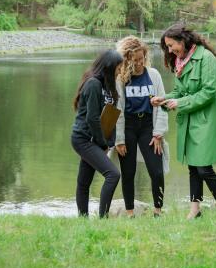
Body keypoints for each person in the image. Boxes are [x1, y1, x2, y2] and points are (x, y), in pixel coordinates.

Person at [151, 24, 216, 219]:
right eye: (168, 47)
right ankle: (195, 210)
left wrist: (179, 102)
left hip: (206, 120)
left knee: (204, 167)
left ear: (183, 40)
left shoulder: (206, 58)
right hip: (188, 120)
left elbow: (209, 92)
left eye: (172, 46)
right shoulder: (181, 61)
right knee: (193, 166)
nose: (170, 51)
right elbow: (179, 92)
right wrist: (163, 99)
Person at [114, 36, 169, 218]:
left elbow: (162, 104)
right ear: (126, 59)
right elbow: (118, 110)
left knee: (156, 170)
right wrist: (119, 139)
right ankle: (130, 212)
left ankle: (158, 211)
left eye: (142, 58)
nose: (139, 63)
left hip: (147, 126)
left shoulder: (153, 75)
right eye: (135, 60)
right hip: (128, 126)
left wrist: (158, 133)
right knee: (128, 172)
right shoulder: (121, 79)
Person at [70, 49, 124, 218]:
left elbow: (110, 114)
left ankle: (83, 219)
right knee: (112, 175)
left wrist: (110, 140)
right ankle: (103, 218)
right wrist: (102, 143)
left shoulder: (108, 84)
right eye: (118, 67)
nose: (119, 71)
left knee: (84, 181)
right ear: (109, 66)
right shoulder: (93, 84)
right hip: (84, 139)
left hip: (97, 138)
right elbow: (92, 118)